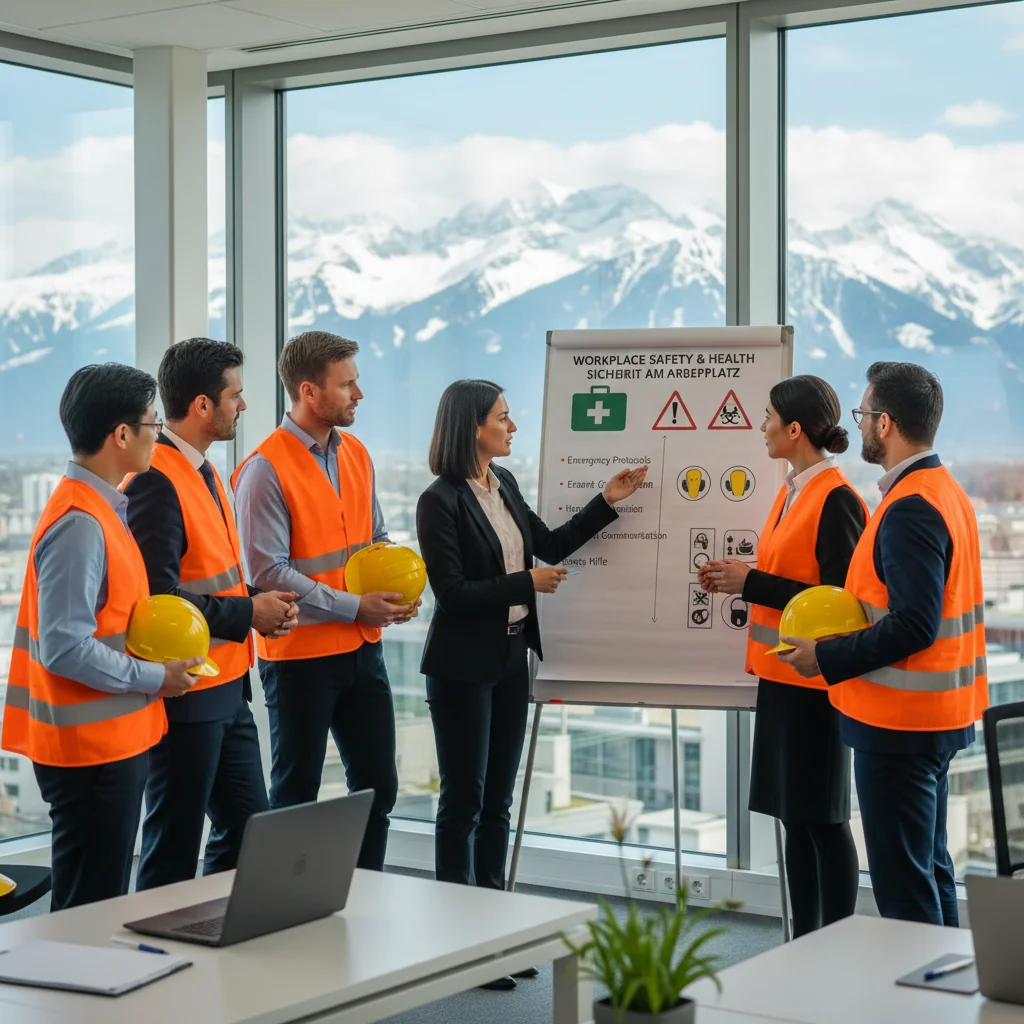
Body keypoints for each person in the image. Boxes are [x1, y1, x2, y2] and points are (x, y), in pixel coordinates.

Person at [416, 379, 647, 992]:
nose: (512, 427)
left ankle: (494, 938)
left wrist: (607, 500)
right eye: (503, 418)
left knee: (499, 802)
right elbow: (454, 594)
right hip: (463, 666)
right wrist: (526, 585)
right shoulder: (439, 500)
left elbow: (546, 546)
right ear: (472, 428)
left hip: (513, 658)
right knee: (463, 803)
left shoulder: (505, 485)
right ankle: (458, 946)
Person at [780, 361, 988, 927]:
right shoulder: (944, 492)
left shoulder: (911, 507)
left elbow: (913, 625)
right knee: (930, 868)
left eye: (864, 414)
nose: (861, 424)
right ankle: (949, 999)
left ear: (886, 423)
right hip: (935, 717)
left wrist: (823, 656)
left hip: (901, 724)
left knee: (904, 887)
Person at [0, 364, 201, 910]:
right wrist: (157, 677)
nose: (158, 434)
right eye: (154, 424)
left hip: (107, 744)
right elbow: (65, 647)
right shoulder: (80, 523)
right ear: (121, 434)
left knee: (97, 900)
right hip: (89, 755)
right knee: (89, 906)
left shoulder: (99, 509)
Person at [232, 331, 418, 872]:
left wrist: (394, 593)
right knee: (294, 795)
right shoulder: (264, 468)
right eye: (348, 384)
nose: (359, 394)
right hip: (300, 660)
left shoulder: (356, 454)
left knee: (378, 789)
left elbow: (373, 538)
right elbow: (267, 570)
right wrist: (353, 606)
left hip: (363, 650)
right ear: (310, 392)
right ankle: (278, 919)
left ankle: (362, 897)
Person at [123, 339, 299, 890]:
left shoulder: (205, 472)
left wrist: (256, 602)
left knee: (250, 829)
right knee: (173, 843)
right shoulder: (156, 477)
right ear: (202, 405)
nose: (243, 406)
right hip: (186, 692)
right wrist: (249, 612)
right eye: (236, 395)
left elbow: (211, 574)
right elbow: (159, 596)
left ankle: (211, 945)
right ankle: (153, 962)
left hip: (226, 685)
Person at [699, 375, 866, 938]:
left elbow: (846, 606)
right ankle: (806, 939)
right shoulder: (792, 488)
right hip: (782, 677)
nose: (761, 426)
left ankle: (835, 941)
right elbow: (786, 579)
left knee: (823, 818)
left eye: (768, 416)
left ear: (794, 429)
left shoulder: (837, 498)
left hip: (816, 683)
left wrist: (753, 584)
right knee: (796, 818)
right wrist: (740, 580)